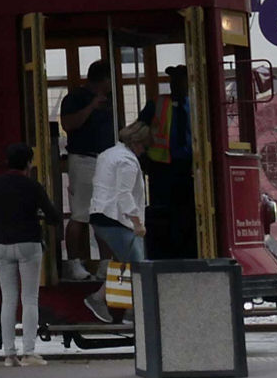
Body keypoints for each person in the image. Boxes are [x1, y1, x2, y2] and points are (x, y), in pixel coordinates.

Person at [0, 143, 59, 366]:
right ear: (28, 162)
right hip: (28, 244)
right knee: (29, 298)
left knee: (8, 298)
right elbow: (53, 216)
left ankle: (9, 354)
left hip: (1, 245)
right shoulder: (32, 186)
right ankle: (29, 352)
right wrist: (38, 217)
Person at [82, 120, 151, 322]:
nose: (144, 151)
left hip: (99, 215)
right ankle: (134, 312)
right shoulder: (127, 162)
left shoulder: (108, 154)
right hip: (115, 219)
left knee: (124, 260)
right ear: (137, 143)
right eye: (144, 147)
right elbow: (124, 195)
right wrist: (137, 223)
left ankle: (101, 298)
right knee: (139, 266)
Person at [57, 60, 116, 281]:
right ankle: (75, 264)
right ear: (103, 80)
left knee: (104, 215)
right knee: (81, 214)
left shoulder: (110, 101)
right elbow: (69, 124)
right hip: (83, 160)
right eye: (110, 79)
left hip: (106, 161)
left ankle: (105, 264)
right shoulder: (75, 98)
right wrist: (91, 106)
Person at [138, 66, 196, 259]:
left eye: (181, 80)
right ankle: (164, 253)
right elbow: (139, 129)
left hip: (189, 166)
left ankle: (187, 252)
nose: (176, 84)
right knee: (163, 213)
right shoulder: (157, 104)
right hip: (161, 167)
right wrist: (144, 158)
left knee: (188, 212)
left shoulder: (197, 104)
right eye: (173, 80)